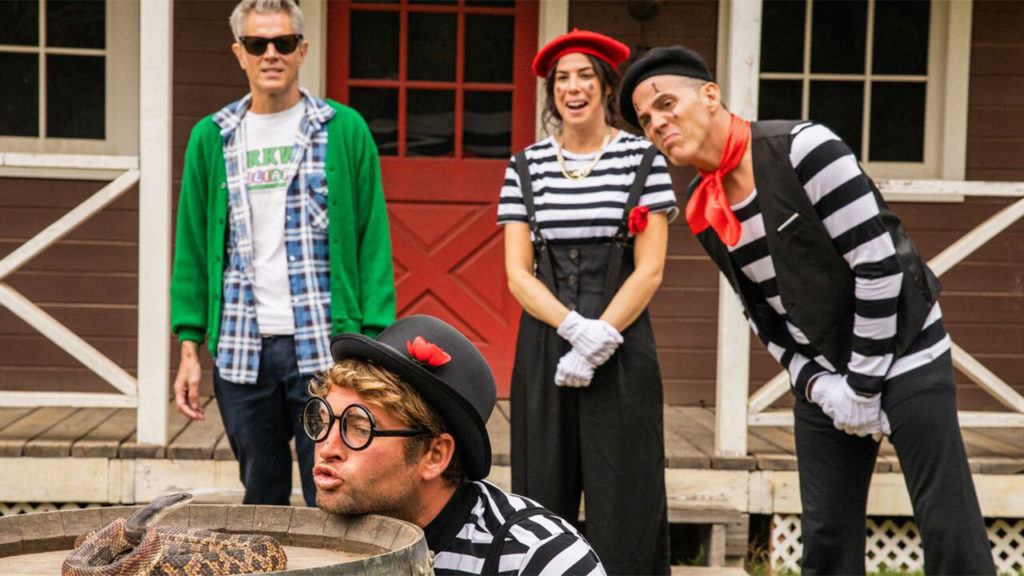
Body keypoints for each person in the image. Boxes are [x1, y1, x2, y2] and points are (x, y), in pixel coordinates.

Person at [622, 45, 995, 575]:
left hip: (906, 348)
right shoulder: (704, 209)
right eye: (645, 120)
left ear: (710, 95)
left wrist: (862, 384)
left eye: (665, 104)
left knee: (948, 527)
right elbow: (764, 315)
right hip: (826, 375)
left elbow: (878, 267)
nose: (657, 123)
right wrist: (819, 385)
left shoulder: (804, 149)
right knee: (825, 537)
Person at [169, 0, 395, 507]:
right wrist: (188, 348)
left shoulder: (344, 130)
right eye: (257, 44)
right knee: (261, 491)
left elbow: (372, 241)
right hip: (240, 348)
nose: (271, 53)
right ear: (240, 54)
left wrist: (374, 345)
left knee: (333, 490)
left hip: (326, 347)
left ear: (302, 50)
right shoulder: (212, 137)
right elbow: (193, 248)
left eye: (283, 42)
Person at [497, 29, 676, 574]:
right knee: (542, 490)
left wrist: (601, 336)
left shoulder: (643, 159)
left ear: (606, 87)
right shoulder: (524, 166)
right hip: (547, 342)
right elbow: (517, 272)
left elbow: (650, 268)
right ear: (552, 91)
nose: (572, 88)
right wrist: (574, 328)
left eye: (585, 76)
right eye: (562, 79)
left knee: (626, 489)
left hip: (622, 342)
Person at [307, 314, 606, 575]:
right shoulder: (313, 543)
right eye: (323, 422)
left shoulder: (539, 558)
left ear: (435, 455)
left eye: (360, 430)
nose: (327, 448)